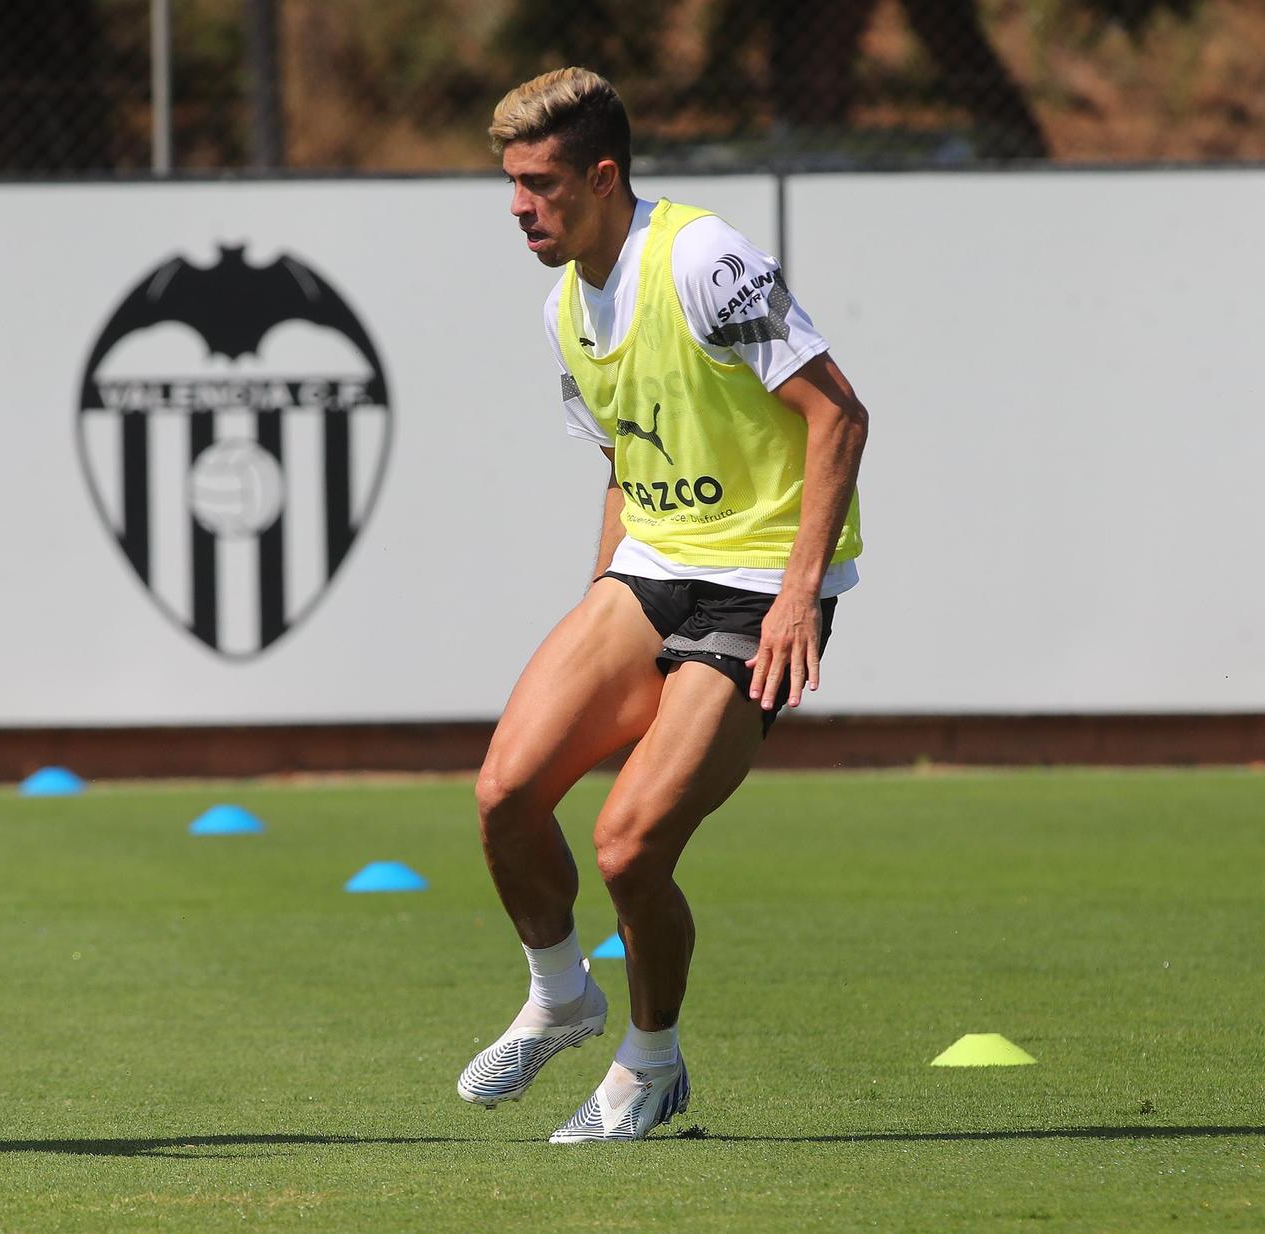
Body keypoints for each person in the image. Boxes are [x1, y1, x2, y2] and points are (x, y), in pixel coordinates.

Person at [457, 67, 868, 1142]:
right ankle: (560, 994)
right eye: (508, 183)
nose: (516, 207)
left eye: (537, 183)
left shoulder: (700, 257)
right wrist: (602, 601)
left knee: (628, 847)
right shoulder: (562, 307)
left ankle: (651, 1060)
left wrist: (794, 598)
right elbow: (619, 465)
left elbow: (838, 418)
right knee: (503, 791)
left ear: (601, 176)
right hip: (650, 569)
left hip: (757, 588)